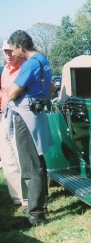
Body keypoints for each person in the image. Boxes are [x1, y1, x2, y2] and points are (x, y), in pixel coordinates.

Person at [5, 30, 54, 227]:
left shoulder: (30, 64)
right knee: (39, 162)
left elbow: (11, 92)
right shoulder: (43, 60)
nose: (13, 54)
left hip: (25, 117)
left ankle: (35, 214)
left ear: (20, 47)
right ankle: (42, 204)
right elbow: (51, 88)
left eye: (13, 49)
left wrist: (16, 92)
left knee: (30, 166)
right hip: (37, 115)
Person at [0, 39, 28, 211]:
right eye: (5, 52)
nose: (8, 55)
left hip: (19, 116)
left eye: (10, 51)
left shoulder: (25, 67)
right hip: (4, 116)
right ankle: (17, 198)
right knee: (8, 157)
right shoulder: (5, 70)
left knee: (20, 155)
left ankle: (27, 198)